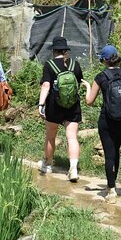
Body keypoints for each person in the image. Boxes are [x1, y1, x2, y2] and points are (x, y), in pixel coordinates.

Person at [86, 45, 121, 203]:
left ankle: (111, 190)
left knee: (109, 153)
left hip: (106, 121)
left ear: (104, 60)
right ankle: (113, 183)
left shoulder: (101, 77)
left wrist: (88, 88)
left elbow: (89, 101)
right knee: (116, 150)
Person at [37, 36, 91, 182]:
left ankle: (47, 164)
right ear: (66, 50)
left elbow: (46, 86)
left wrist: (41, 104)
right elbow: (78, 84)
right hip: (73, 105)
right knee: (72, 137)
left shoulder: (49, 65)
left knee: (50, 136)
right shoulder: (75, 65)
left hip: (54, 106)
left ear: (54, 50)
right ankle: (73, 168)